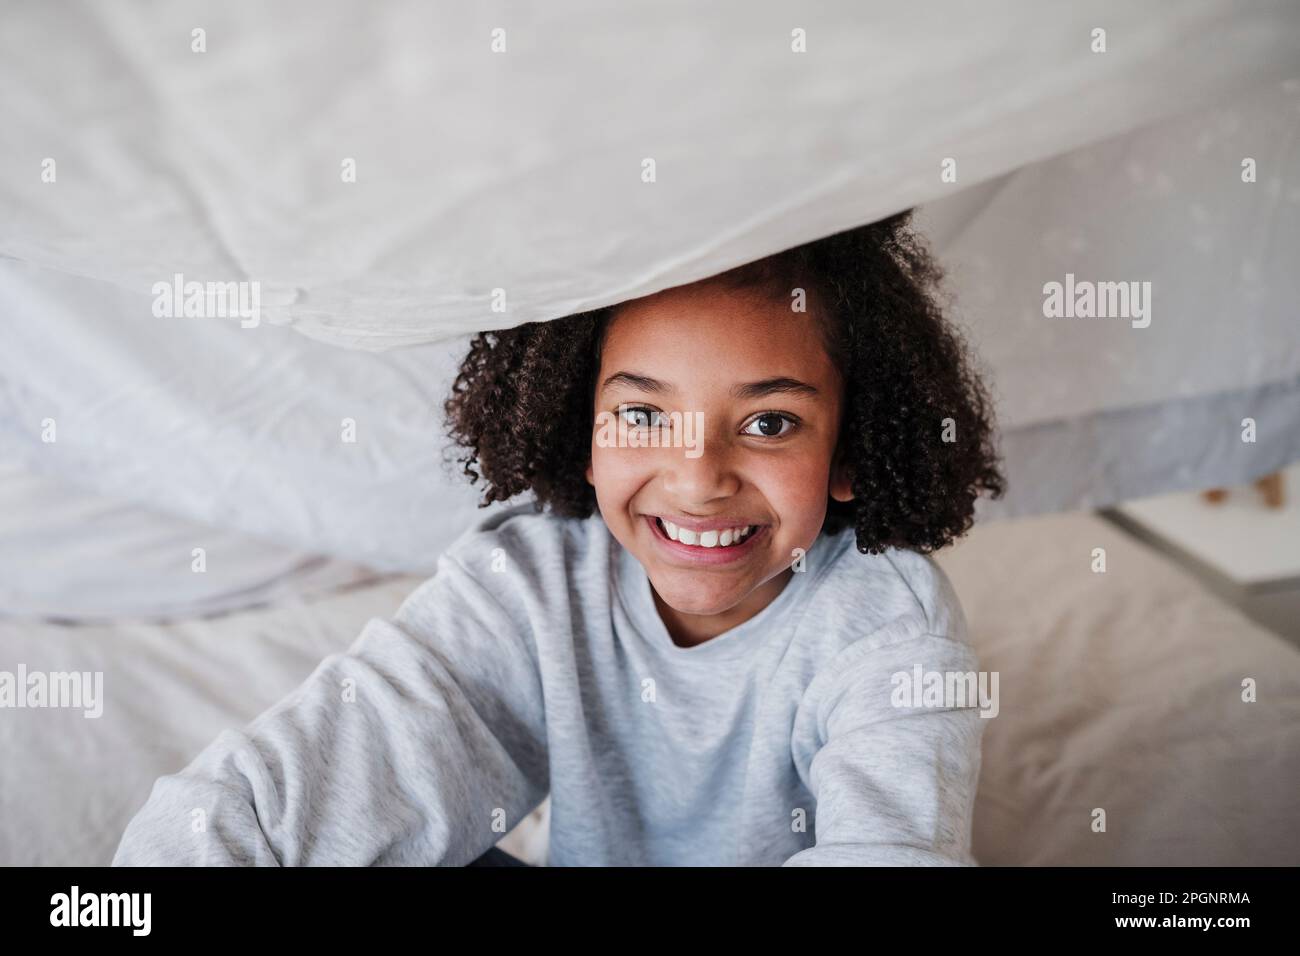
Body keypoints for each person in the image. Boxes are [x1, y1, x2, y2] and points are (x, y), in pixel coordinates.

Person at [112, 210, 1005, 866]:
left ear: (849, 451)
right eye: (643, 415)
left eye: (769, 423)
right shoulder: (529, 581)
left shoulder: (888, 633)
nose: (698, 479)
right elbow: (340, 762)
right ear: (580, 435)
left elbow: (891, 852)